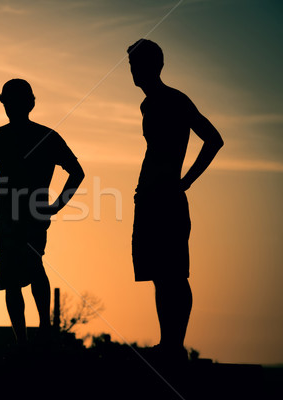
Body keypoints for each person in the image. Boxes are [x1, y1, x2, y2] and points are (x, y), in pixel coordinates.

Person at [127, 39, 224, 363]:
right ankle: (167, 343)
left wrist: (187, 180)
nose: (133, 71)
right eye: (131, 65)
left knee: (174, 274)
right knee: (158, 273)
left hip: (167, 197)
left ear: (154, 65)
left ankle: (174, 345)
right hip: (150, 198)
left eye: (137, 64)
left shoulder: (174, 100)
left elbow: (213, 139)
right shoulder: (148, 104)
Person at [0, 79, 84, 351]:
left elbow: (77, 172)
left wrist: (56, 205)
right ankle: (31, 338)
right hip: (14, 212)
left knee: (25, 270)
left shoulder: (10, 137)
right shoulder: (34, 136)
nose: (11, 107)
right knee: (20, 273)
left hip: (21, 212)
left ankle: (36, 336)